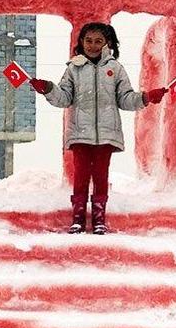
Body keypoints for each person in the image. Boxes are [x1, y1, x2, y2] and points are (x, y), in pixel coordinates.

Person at [29, 22, 167, 235]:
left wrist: (146, 97)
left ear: (107, 43)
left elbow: (126, 99)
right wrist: (48, 88)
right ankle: (78, 219)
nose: (92, 45)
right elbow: (64, 98)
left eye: (98, 41)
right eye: (88, 41)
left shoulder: (115, 69)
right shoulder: (73, 68)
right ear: (81, 42)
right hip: (79, 133)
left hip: (107, 134)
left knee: (101, 176)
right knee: (81, 175)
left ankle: (99, 220)